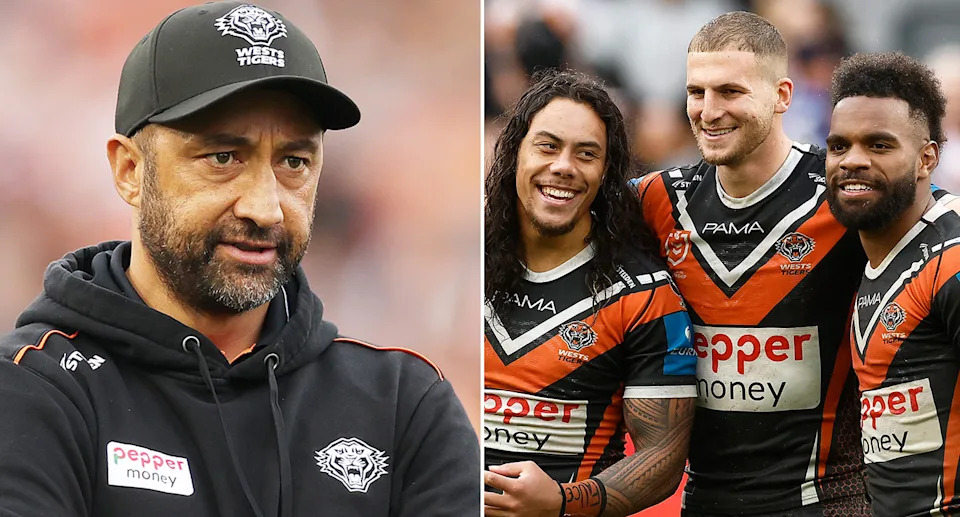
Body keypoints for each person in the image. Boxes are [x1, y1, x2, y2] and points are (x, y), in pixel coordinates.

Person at [0, 2, 479, 516]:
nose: (265, 207)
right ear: (129, 170)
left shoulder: (404, 406)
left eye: (294, 162)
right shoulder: (32, 389)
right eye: (223, 158)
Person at [634, 11, 870, 516]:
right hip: (702, 500)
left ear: (783, 95)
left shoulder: (844, 194)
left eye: (730, 92)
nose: (708, 110)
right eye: (696, 93)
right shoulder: (655, 201)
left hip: (826, 500)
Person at [483, 69, 698, 517]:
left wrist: (562, 502)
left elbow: (662, 458)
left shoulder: (646, 297)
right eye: (547, 145)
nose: (563, 166)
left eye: (586, 154)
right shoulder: (455, 266)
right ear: (514, 152)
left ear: (606, 173)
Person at [824, 51, 959, 517]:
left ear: (926, 159)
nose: (852, 161)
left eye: (879, 145)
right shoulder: (871, 254)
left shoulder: (953, 260)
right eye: (839, 146)